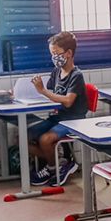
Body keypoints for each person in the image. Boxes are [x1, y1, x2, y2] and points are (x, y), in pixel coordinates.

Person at [27, 31, 89, 186]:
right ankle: (61, 163)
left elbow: (68, 101)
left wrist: (43, 91)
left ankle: (52, 167)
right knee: (23, 136)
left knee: (45, 139)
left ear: (68, 53)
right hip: (56, 118)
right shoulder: (56, 72)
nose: (54, 57)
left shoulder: (76, 75)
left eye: (56, 53)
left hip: (73, 120)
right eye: (52, 54)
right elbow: (48, 94)